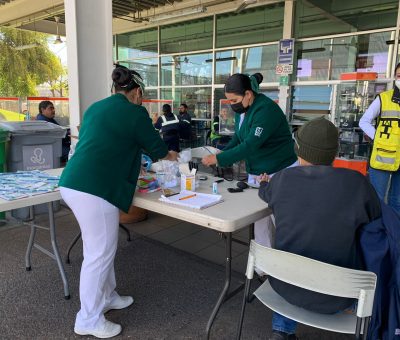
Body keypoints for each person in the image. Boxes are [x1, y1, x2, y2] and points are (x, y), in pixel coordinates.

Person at [58, 65, 178, 339]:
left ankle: (108, 295)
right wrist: (172, 155)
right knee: (98, 255)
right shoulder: (135, 112)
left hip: (74, 182)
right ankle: (87, 318)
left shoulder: (96, 108)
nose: (142, 102)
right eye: (142, 98)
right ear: (136, 92)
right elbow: (157, 150)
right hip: (95, 188)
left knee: (101, 249)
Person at [258, 117, 381, 340]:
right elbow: (375, 220)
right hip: (341, 296)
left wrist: (265, 183)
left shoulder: (282, 179)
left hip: (285, 289)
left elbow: (266, 194)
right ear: (334, 153)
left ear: (298, 150)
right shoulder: (358, 184)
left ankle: (281, 331)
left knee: (293, 260)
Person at [202, 73, 297, 249]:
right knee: (260, 219)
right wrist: (220, 151)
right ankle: (264, 267)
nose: (232, 105)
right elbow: (238, 137)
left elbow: (251, 144)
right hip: (258, 171)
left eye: (234, 100)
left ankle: (289, 264)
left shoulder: (266, 110)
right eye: (229, 101)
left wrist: (219, 158)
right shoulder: (243, 110)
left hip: (278, 170)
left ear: (248, 94)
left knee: (282, 221)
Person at [359, 63, 400, 214]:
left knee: (398, 201)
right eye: (399, 75)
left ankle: (394, 233)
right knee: (377, 199)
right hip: (383, 155)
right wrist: (379, 138)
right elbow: (364, 122)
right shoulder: (384, 98)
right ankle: (376, 232)